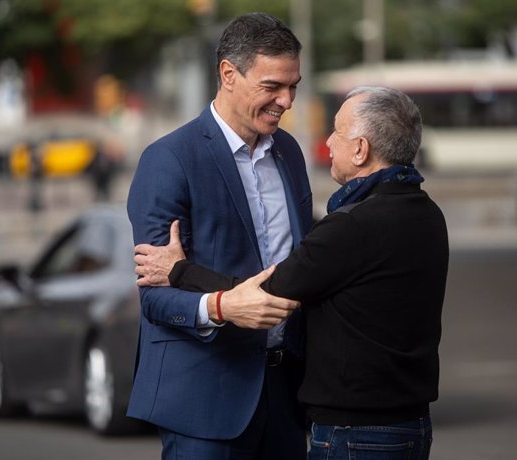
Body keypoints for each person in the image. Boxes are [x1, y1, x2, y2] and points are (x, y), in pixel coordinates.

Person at [134, 86, 449, 459]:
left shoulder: (353, 227)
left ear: (361, 149)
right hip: (409, 422)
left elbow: (271, 289)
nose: (328, 141)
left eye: (337, 132)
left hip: (354, 429)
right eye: (273, 86)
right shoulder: (428, 213)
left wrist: (179, 270)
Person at [126, 12, 313, 460]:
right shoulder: (169, 159)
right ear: (228, 74)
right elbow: (155, 298)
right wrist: (222, 305)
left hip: (286, 396)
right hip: (203, 401)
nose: (286, 101)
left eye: (294, 86)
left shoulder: (289, 152)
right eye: (272, 86)